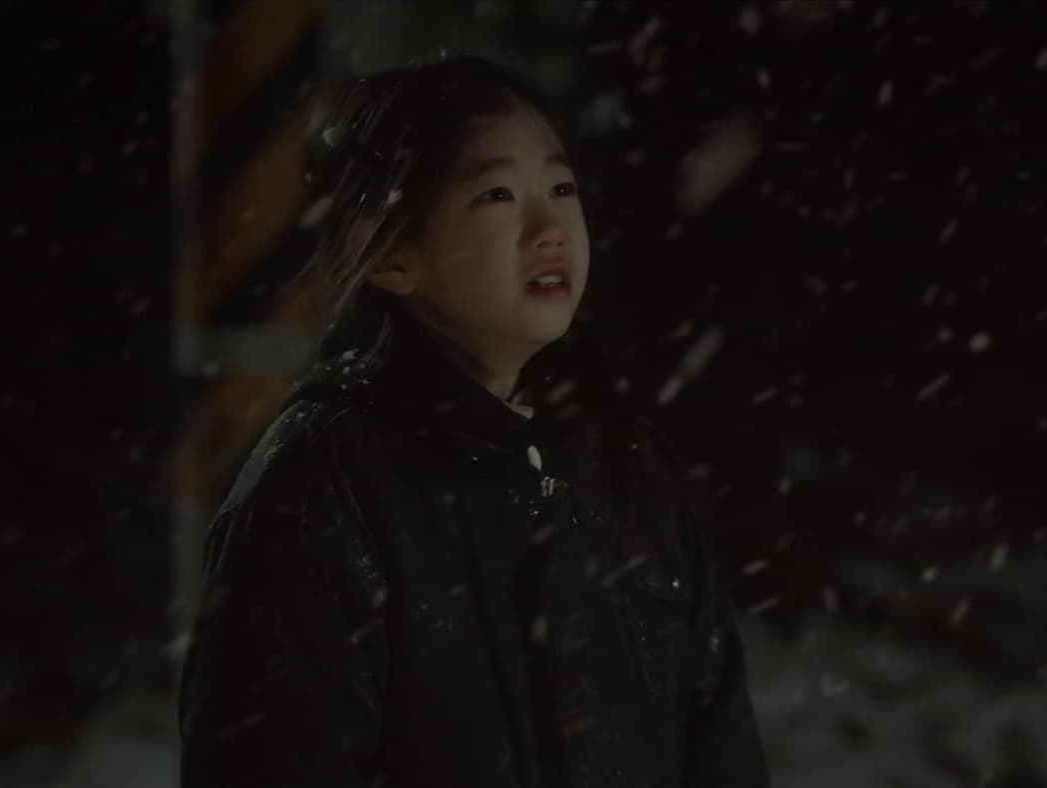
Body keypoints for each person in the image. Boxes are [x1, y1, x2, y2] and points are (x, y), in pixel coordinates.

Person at [176, 51, 771, 788]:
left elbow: (719, 743)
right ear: (387, 253)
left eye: (561, 187)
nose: (549, 227)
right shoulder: (323, 492)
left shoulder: (618, 459)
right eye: (497, 194)